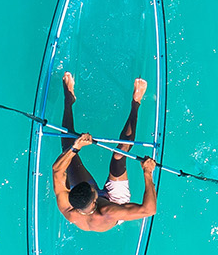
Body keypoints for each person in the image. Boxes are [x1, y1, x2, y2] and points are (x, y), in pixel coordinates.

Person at [51, 72, 159, 232]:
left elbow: (57, 170)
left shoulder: (68, 207)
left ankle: (69, 101)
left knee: (67, 149)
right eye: (92, 189)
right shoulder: (110, 211)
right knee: (118, 156)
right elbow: (149, 210)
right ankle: (136, 103)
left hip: (88, 203)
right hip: (115, 201)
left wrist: (76, 147)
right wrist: (147, 173)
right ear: (94, 200)